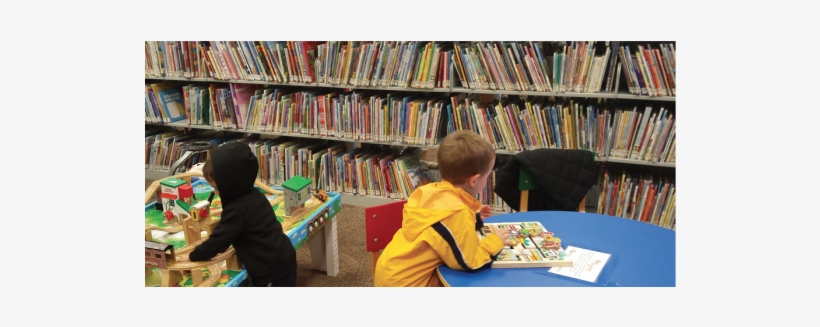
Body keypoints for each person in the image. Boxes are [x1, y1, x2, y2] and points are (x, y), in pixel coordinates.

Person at [374, 130, 513, 287]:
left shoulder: (431, 190)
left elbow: (442, 228)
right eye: (487, 175)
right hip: (408, 285)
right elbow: (468, 261)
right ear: (474, 180)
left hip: (390, 271)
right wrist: (495, 242)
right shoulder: (456, 213)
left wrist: (473, 218)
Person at [178, 142, 297, 287]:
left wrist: (191, 257)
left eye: (217, 187)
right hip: (284, 257)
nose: (215, 193)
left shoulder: (235, 211)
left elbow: (217, 242)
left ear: (231, 184)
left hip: (271, 270)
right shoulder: (255, 195)